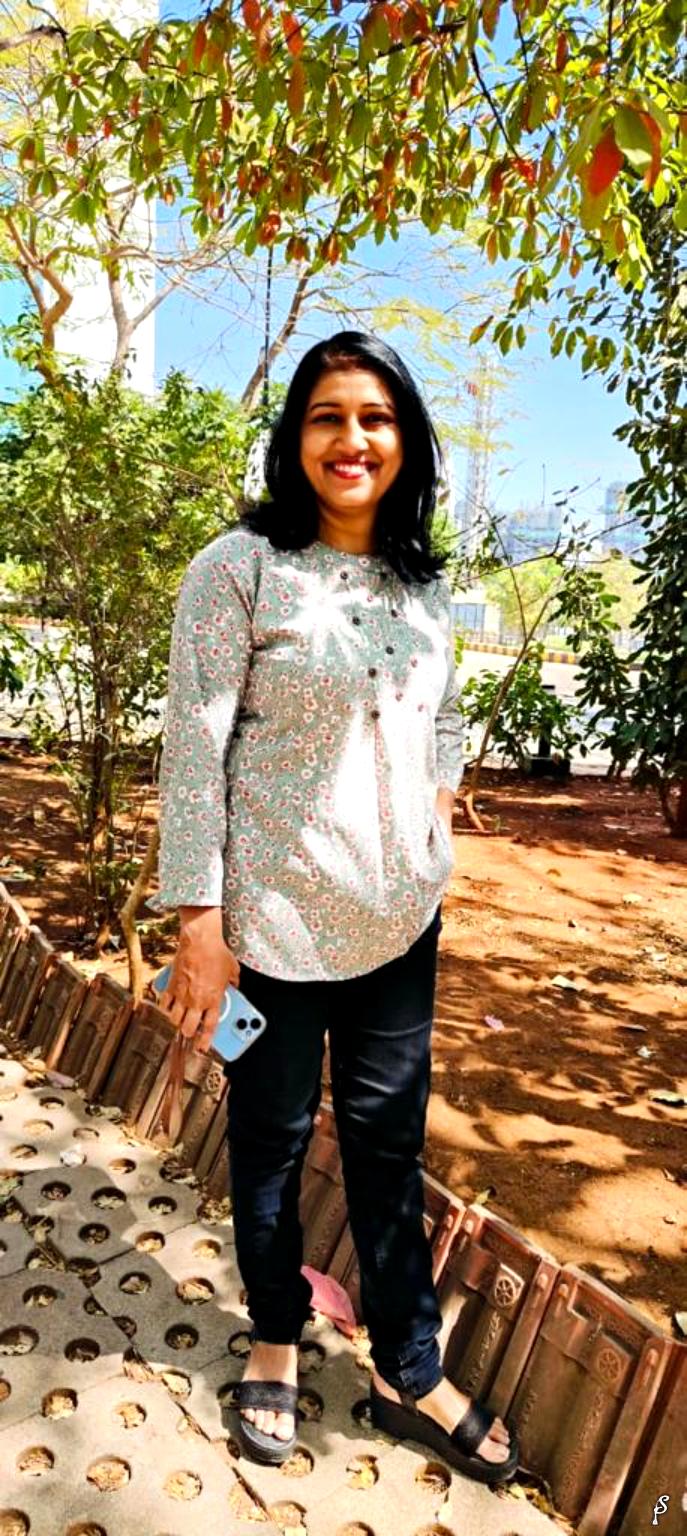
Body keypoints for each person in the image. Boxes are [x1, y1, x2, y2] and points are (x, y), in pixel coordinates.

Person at [152, 331, 518, 1485]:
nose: (352, 438)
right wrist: (199, 925)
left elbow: (444, 713)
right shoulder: (237, 571)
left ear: (405, 441)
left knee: (387, 1148)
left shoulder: (423, 586)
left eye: (375, 417)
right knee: (267, 1145)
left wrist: (438, 803)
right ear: (295, 437)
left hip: (401, 924)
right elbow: (194, 751)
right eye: (328, 416)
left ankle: (410, 1366)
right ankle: (274, 1334)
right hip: (266, 934)